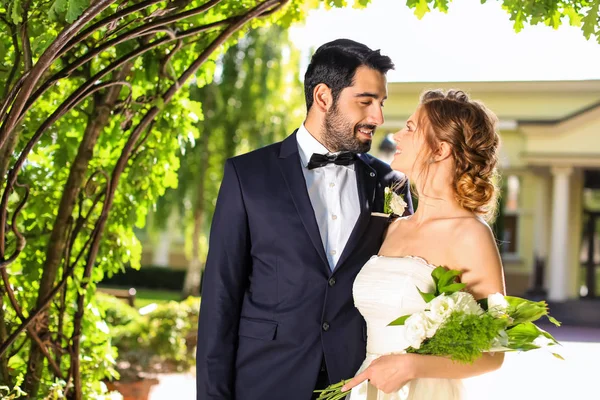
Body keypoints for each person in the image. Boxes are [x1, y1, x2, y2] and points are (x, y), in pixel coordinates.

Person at [195, 39, 413, 400]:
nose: (377, 117)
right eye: (365, 101)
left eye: (381, 103)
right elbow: (220, 298)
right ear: (323, 97)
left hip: (358, 383)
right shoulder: (246, 175)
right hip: (265, 379)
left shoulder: (389, 183)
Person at [342, 89, 506, 400]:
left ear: (441, 149)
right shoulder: (392, 227)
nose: (397, 135)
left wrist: (412, 366)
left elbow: (493, 352)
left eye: (411, 127)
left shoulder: (471, 235)